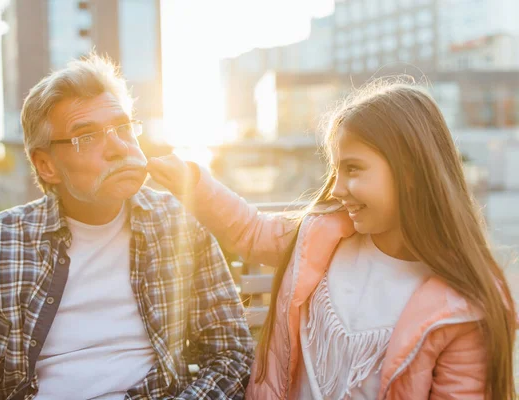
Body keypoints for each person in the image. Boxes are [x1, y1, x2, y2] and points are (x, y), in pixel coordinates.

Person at [147, 79, 517, 399]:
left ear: (409, 172)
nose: (337, 188)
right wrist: (190, 180)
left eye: (353, 169)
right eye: (335, 170)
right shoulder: (323, 235)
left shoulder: (464, 309)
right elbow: (251, 231)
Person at [0, 54, 254, 400]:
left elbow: (230, 353)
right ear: (46, 165)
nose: (118, 147)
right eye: (88, 137)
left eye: (123, 128)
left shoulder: (179, 225)